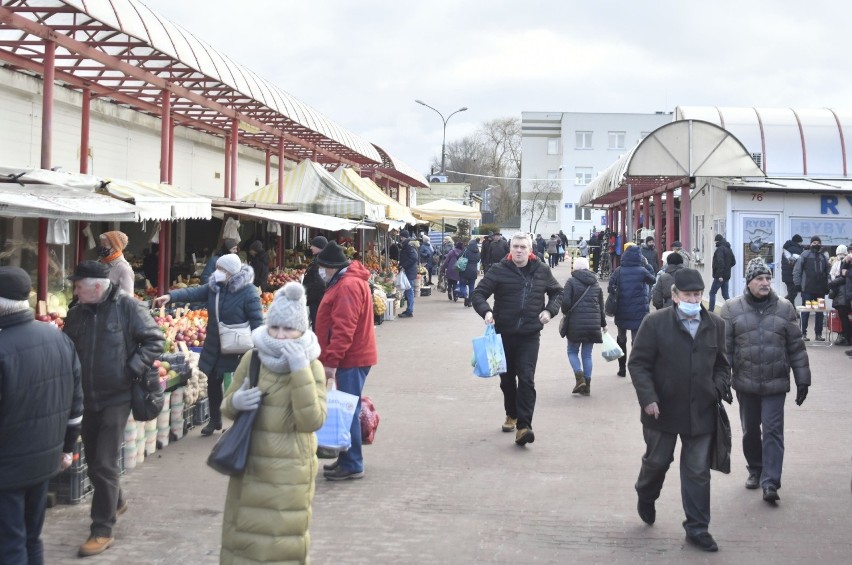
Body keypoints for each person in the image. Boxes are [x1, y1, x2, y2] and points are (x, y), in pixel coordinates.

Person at [219, 282, 327, 563]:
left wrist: (300, 371)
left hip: (290, 471)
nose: (280, 336)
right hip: (251, 464)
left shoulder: (312, 365)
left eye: (288, 330)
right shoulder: (253, 358)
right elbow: (227, 407)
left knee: (281, 544)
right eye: (275, 328)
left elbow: (312, 420)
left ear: (301, 330)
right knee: (243, 540)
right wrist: (236, 402)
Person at [63, 261, 164, 557]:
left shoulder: (128, 308)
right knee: (94, 459)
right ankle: (116, 500)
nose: (75, 291)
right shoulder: (76, 313)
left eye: (79, 285)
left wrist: (131, 368)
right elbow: (67, 349)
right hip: (84, 398)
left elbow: (155, 340)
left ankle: (101, 529)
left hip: (116, 397)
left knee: (104, 463)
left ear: (97, 286)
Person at [629, 268, 731, 553]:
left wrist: (717, 387)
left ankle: (698, 528)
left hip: (701, 412)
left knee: (698, 471)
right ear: (674, 296)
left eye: (697, 294)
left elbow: (723, 364)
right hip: (660, 410)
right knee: (658, 461)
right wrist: (648, 398)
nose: (694, 299)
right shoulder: (655, 323)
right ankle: (646, 493)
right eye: (688, 294)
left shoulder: (715, 324)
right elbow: (638, 363)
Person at [0, 267, 83, 565]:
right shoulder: (58, 339)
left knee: (9, 543)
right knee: (32, 537)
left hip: (7, 465)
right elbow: (76, 404)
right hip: (44, 459)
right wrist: (67, 449)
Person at [720, 258, 811, 504]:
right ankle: (755, 469)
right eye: (759, 279)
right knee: (750, 431)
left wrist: (803, 379)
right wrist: (722, 380)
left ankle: (771, 482)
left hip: (775, 382)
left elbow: (796, 347)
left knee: (772, 431)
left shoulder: (785, 308)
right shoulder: (731, 308)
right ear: (749, 282)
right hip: (746, 381)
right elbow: (725, 349)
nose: (765, 283)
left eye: (768, 278)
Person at [154, 254, 263, 436]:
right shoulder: (215, 287)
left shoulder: (249, 291)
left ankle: (241, 422)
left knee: (242, 382)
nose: (217, 272)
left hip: (238, 345)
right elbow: (194, 292)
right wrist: (170, 296)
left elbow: (257, 320)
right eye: (217, 268)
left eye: (221, 270)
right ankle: (215, 419)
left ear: (231, 272)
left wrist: (259, 346)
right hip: (215, 341)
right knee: (213, 379)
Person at [471, 233, 562, 446]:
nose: (519, 250)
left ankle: (524, 427)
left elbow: (558, 293)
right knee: (507, 380)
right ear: (509, 249)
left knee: (527, 378)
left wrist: (549, 311)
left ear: (530, 249)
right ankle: (511, 414)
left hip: (530, 335)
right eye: (515, 246)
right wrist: (486, 312)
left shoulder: (541, 270)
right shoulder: (499, 270)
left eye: (523, 247)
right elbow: (478, 294)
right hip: (503, 334)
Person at [314, 242, 378, 480]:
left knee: (347, 411)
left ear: (331, 267)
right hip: (352, 356)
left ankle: (352, 463)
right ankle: (346, 457)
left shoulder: (347, 285)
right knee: (347, 408)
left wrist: (332, 361)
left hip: (351, 357)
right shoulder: (346, 281)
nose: (321, 272)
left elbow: (344, 328)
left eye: (322, 268)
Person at [607, 243, 656, 377]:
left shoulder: (619, 270)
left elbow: (610, 287)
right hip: (639, 311)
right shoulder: (642, 270)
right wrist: (647, 265)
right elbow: (653, 279)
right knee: (636, 341)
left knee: (621, 338)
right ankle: (635, 369)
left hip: (621, 309)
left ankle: (621, 368)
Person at [561, 257, 605, 396]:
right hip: (593, 323)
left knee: (572, 351)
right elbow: (601, 306)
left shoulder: (571, 281)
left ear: (575, 268)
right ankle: (587, 386)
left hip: (575, 322)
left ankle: (579, 378)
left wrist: (565, 312)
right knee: (587, 354)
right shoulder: (595, 283)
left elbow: (566, 303)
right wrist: (602, 324)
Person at [793, 235, 830, 341]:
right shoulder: (804, 255)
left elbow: (827, 273)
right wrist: (797, 284)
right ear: (810, 244)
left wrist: (827, 285)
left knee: (819, 313)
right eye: (814, 242)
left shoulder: (823, 257)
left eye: (818, 242)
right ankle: (803, 334)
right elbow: (797, 270)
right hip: (808, 289)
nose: (816, 244)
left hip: (820, 290)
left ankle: (818, 334)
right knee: (806, 312)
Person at [302, 235, 328, 329]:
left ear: (319, 247)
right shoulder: (319, 259)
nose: (311, 247)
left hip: (317, 301)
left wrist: (310, 296)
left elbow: (319, 283)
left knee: (317, 326)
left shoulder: (320, 261)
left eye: (313, 245)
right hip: (317, 300)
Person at [828, 245, 851, 346]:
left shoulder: (843, 263)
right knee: (843, 318)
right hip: (843, 295)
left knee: (844, 318)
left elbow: (842, 277)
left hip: (843, 296)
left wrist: (831, 283)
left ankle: (847, 339)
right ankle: (845, 337)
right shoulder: (841, 262)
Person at [708, 234, 736, 312]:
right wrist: (727, 268)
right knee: (725, 295)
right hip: (727, 275)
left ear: (718, 241)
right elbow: (733, 262)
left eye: (715, 241)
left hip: (719, 276)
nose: (715, 243)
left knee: (712, 292)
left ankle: (711, 310)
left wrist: (720, 275)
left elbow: (720, 262)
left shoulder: (720, 249)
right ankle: (732, 310)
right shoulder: (729, 249)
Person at [396, 230, 419, 318]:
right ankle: (409, 309)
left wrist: (404, 266)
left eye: (401, 237)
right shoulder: (407, 245)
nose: (400, 239)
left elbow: (414, 258)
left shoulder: (409, 246)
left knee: (409, 290)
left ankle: (409, 311)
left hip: (410, 271)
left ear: (402, 237)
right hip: (409, 271)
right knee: (409, 290)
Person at [781, 234, 804, 304]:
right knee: (792, 294)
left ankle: (791, 311)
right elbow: (799, 263)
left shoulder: (787, 248)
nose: (801, 244)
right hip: (792, 275)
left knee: (792, 293)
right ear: (798, 242)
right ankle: (780, 304)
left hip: (787, 275)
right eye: (801, 242)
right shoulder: (796, 249)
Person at [458, 238, 481, 307]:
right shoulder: (477, 252)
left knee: (462, 285)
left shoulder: (465, 250)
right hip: (473, 271)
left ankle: (465, 295)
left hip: (464, 269)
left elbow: (459, 257)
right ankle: (470, 302)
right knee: (472, 287)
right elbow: (478, 260)